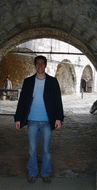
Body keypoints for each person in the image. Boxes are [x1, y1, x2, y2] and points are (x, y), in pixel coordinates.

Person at [14, 55, 64, 184]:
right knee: (32, 149)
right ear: (35, 65)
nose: (40, 66)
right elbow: (22, 101)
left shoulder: (52, 82)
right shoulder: (28, 81)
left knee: (46, 150)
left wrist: (59, 118)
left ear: (45, 65)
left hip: (47, 121)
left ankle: (46, 173)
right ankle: (32, 173)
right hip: (32, 121)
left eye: (42, 63)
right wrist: (18, 118)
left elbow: (58, 101)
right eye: (38, 63)